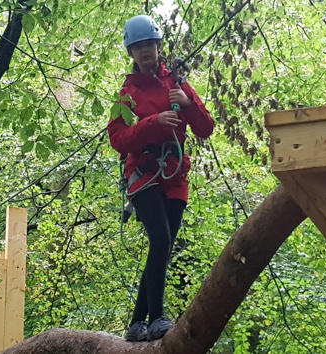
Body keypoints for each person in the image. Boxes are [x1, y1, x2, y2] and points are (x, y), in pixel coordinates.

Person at [108, 14, 214, 342]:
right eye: (137, 47)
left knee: (162, 247)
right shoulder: (127, 93)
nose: (144, 51)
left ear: (158, 45)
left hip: (174, 174)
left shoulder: (177, 84)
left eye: (148, 45)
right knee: (161, 240)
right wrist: (152, 122)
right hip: (143, 174)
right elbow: (117, 139)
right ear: (131, 53)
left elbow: (206, 128)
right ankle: (157, 317)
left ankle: (137, 322)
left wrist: (188, 104)